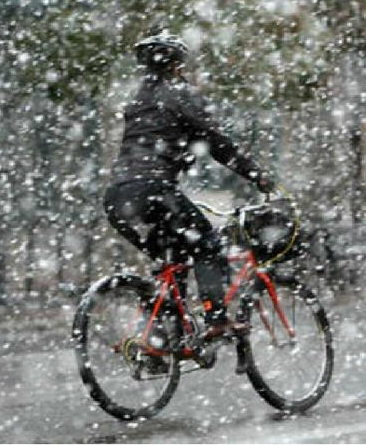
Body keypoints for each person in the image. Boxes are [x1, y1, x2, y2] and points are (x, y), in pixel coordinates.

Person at [104, 31, 275, 341]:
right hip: (154, 189)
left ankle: (165, 338)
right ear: (177, 64)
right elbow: (218, 144)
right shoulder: (179, 93)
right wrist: (257, 175)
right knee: (207, 243)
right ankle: (216, 320)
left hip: (117, 197)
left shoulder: (136, 100)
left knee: (173, 259)